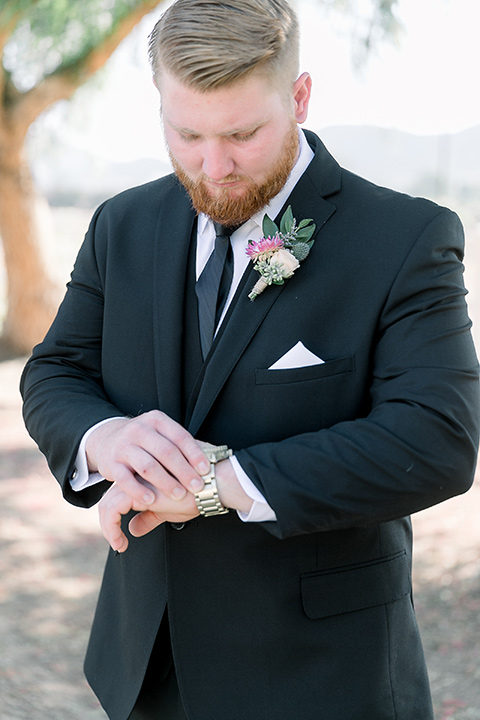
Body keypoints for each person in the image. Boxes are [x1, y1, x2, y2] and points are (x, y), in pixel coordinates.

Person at [21, 0, 479, 718]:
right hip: (148, 667)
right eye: (187, 133)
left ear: (298, 97)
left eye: (241, 133)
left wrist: (215, 482)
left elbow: (437, 440)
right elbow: (56, 373)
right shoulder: (122, 225)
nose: (213, 166)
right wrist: (102, 437)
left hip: (324, 680)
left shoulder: (406, 238)